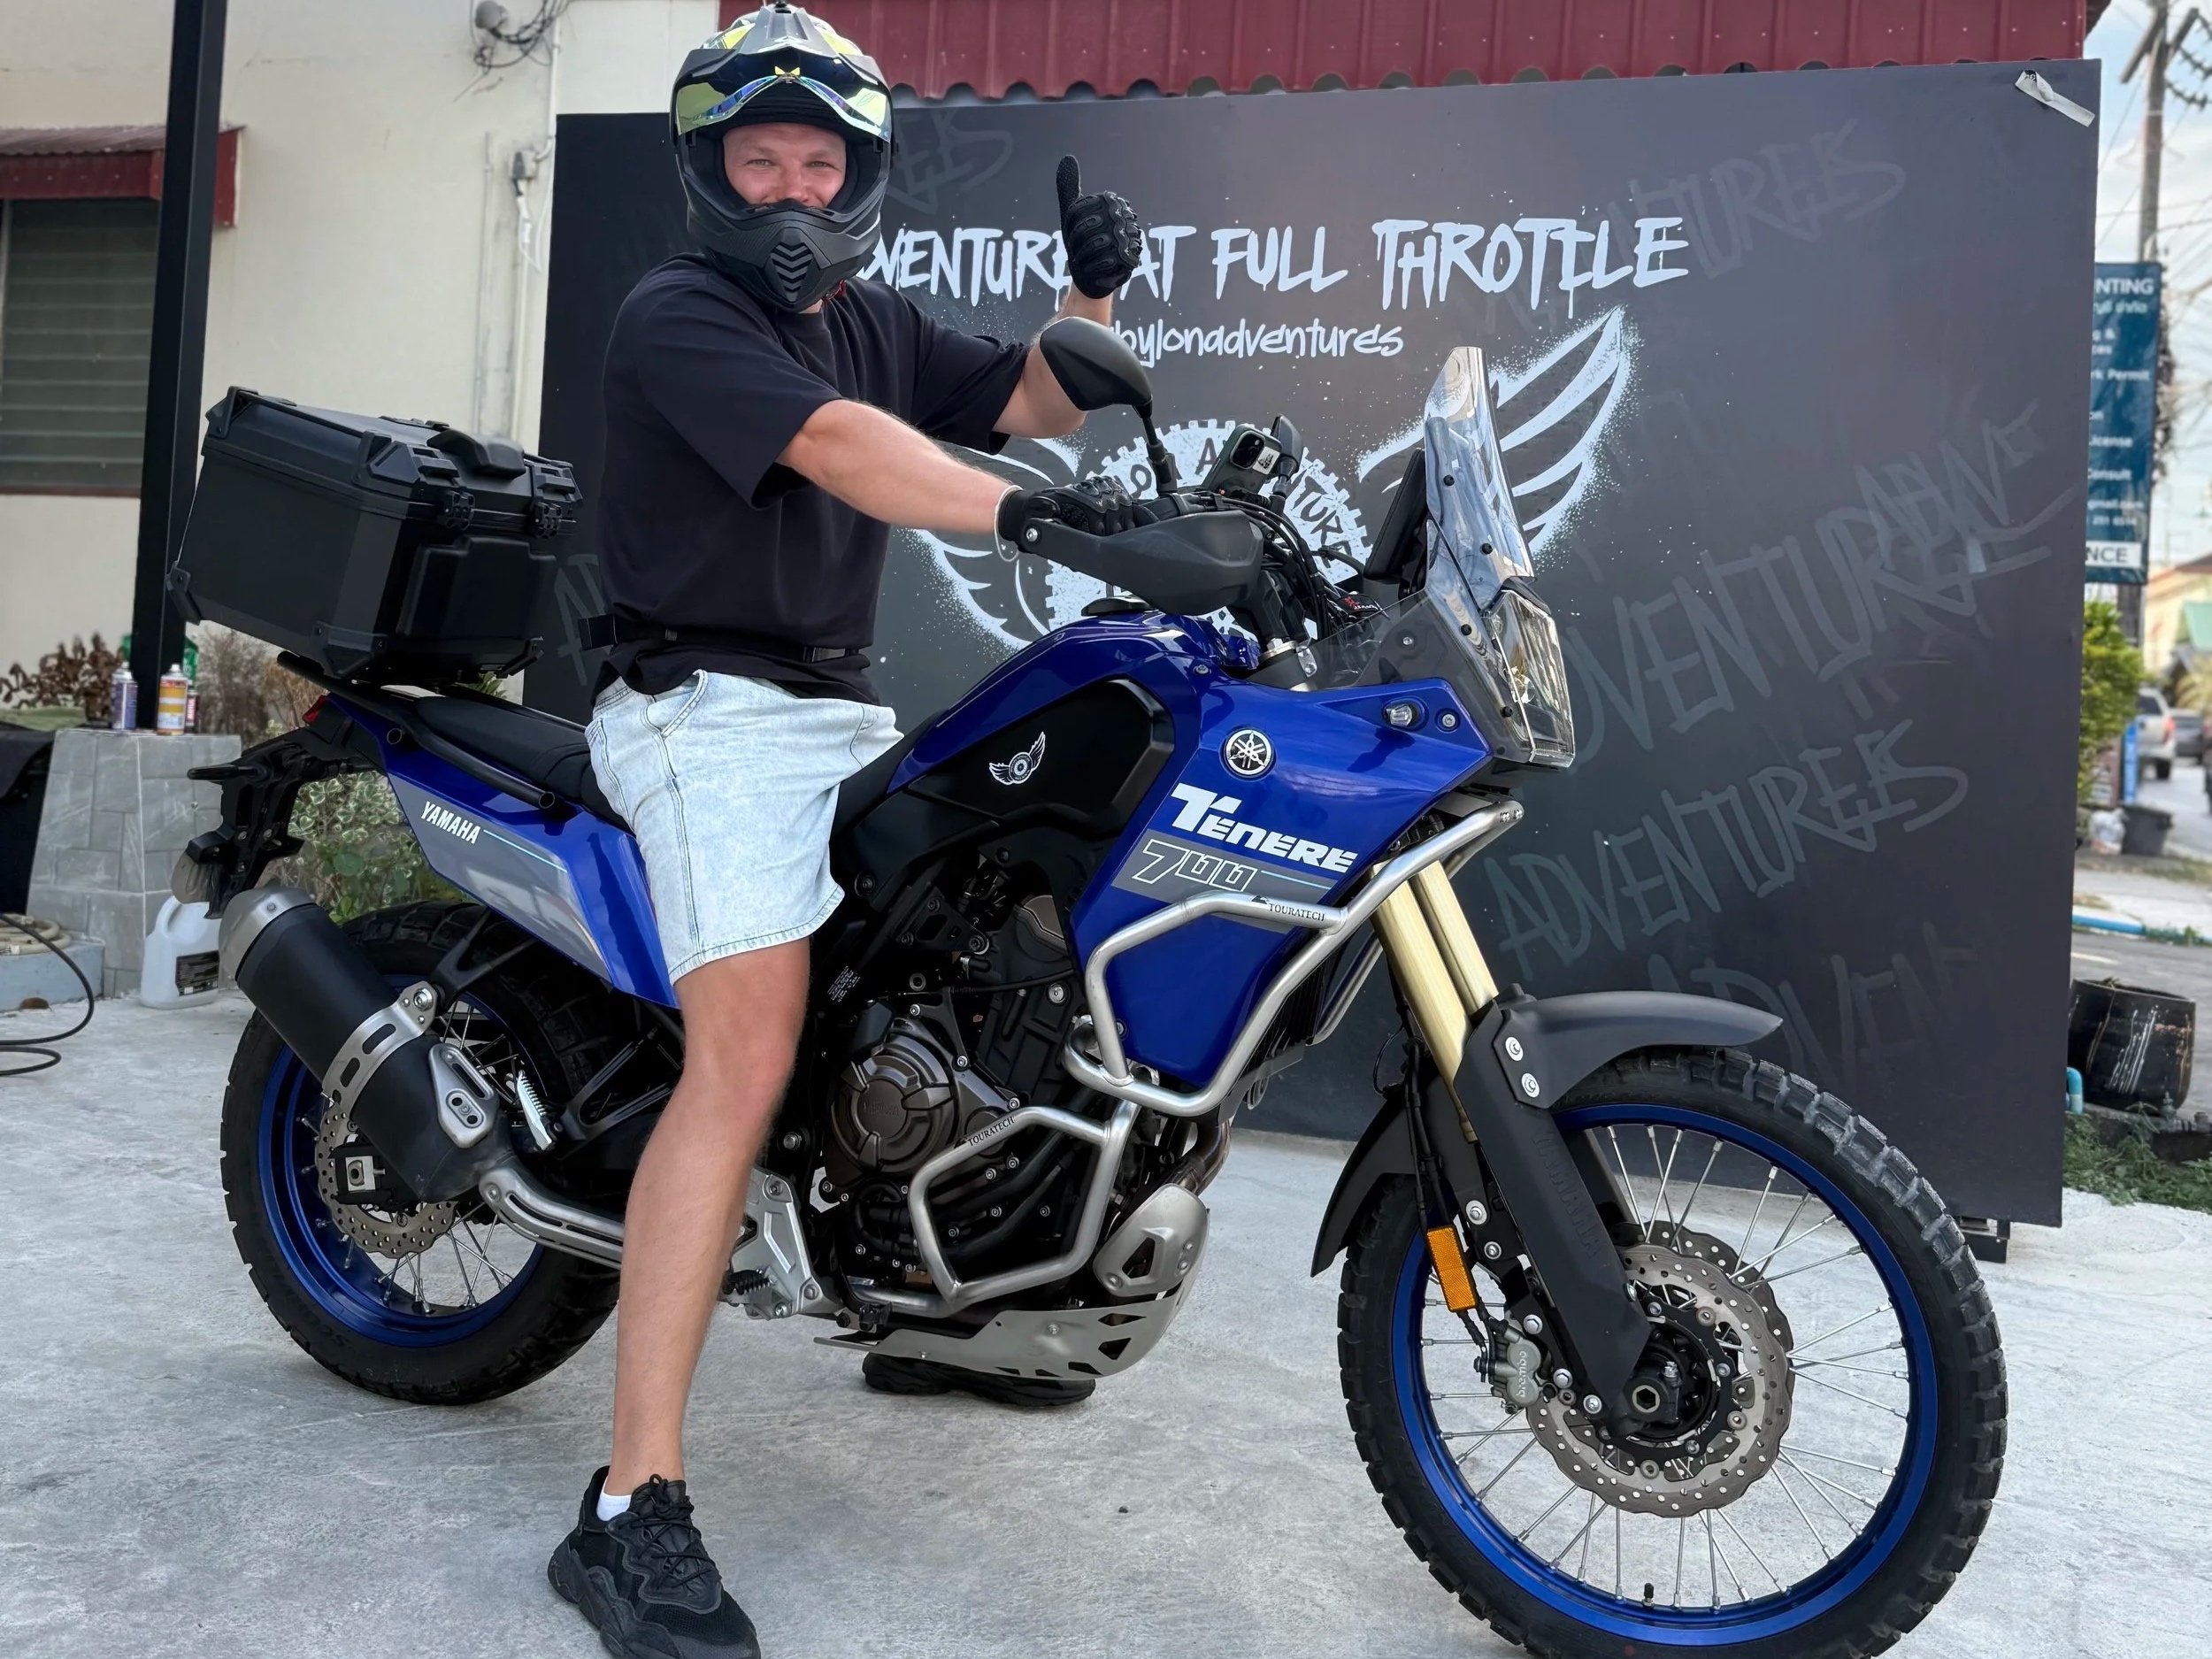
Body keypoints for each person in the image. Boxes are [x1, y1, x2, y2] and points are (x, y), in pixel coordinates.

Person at [547, 8, 1149, 1656]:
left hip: (832, 710)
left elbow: (1022, 403)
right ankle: (628, 1511)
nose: (798, 192)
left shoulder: (871, 316)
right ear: (713, 175)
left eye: (825, 163)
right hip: (702, 714)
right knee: (741, 1061)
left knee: (994, 950)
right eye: (767, 162)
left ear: (860, 176)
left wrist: (1088, 307)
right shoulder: (680, 311)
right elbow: (848, 454)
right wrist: (1047, 515)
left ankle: (950, 1295)